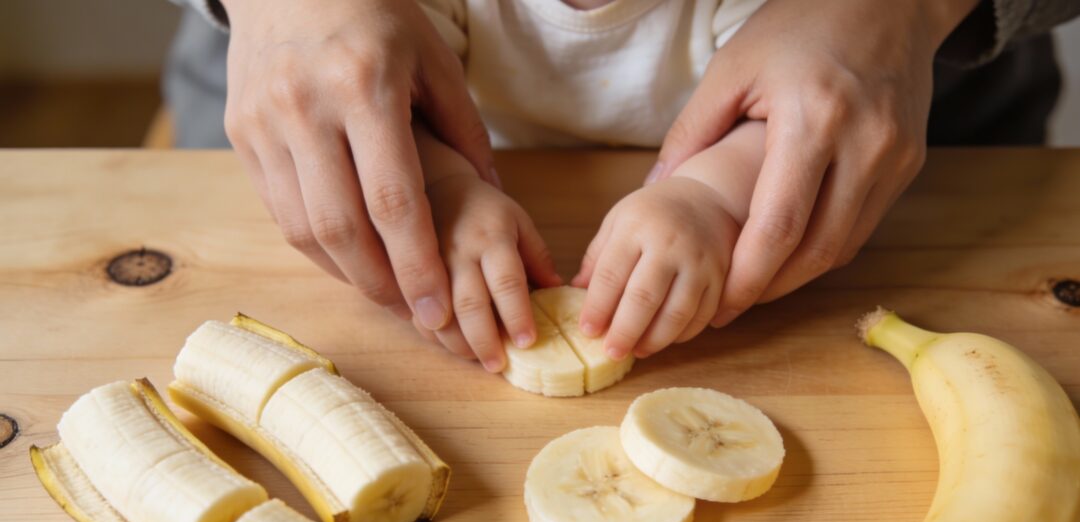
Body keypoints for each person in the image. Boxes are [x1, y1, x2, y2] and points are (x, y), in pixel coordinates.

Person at [166, 0, 1079, 371]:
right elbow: (384, 95)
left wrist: (711, 200)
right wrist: (436, 188)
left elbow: (788, 119)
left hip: (953, 179)